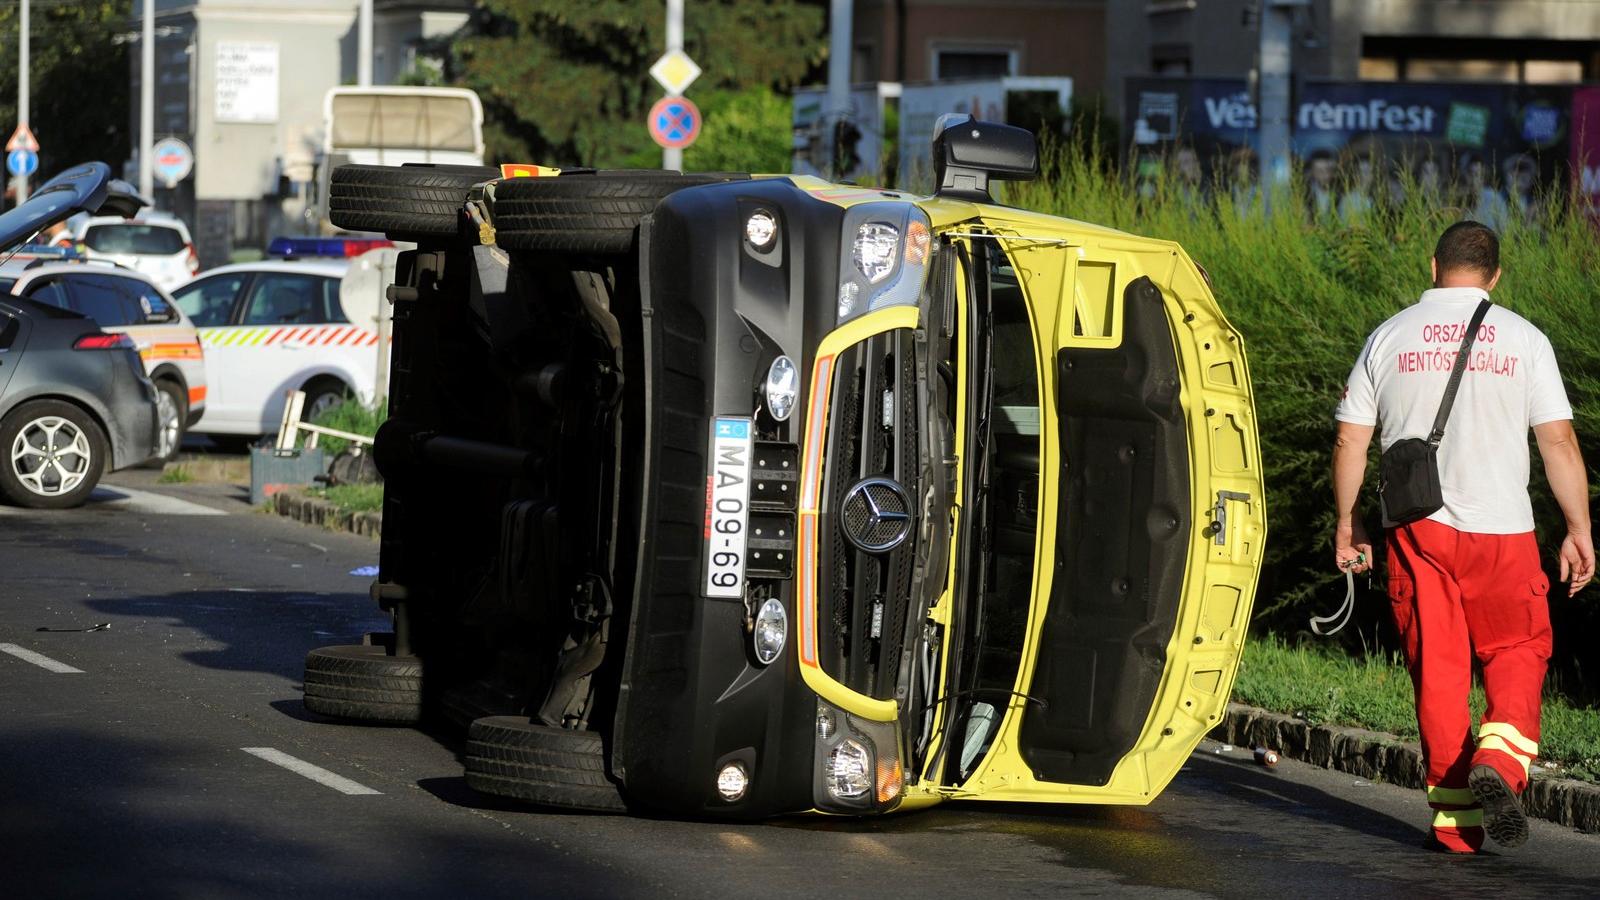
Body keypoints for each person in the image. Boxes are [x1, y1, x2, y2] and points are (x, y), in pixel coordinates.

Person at [1330, 221, 1593, 854]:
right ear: (1495, 276)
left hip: (1418, 532)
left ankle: (1456, 829)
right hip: (1503, 531)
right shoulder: (1525, 340)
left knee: (1439, 673)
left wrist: (1348, 522)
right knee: (1520, 648)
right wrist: (1579, 528)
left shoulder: (1388, 337)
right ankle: (1500, 765)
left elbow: (1350, 441)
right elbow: (1556, 441)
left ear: (1433, 265)